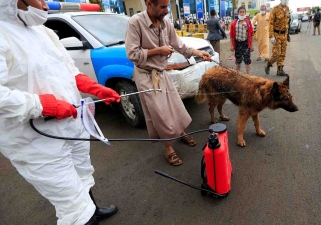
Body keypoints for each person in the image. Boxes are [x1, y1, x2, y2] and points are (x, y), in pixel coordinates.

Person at [0, 0, 120, 224]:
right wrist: (42, 105)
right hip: (35, 139)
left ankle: (93, 209)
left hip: (72, 124)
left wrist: (94, 88)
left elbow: (69, 71)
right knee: (71, 203)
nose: (45, 4)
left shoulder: (43, 32)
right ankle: (85, 216)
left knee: (83, 173)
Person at [125, 0, 211, 166]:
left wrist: (197, 53)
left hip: (162, 74)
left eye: (167, 7)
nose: (166, 11)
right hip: (146, 76)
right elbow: (132, 54)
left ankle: (180, 132)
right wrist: (158, 50)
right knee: (160, 113)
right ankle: (168, 148)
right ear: (149, 4)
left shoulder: (165, 23)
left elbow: (179, 45)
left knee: (175, 105)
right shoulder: (135, 23)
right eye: (163, 7)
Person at [265, 0, 290, 76]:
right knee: (276, 53)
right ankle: (268, 64)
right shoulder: (275, 9)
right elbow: (271, 23)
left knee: (282, 53)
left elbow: (286, 22)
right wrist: (271, 36)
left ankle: (280, 70)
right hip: (276, 34)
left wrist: (287, 34)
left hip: (284, 35)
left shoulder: (288, 8)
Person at [230, 6, 254, 74]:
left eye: (243, 12)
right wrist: (231, 45)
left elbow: (251, 34)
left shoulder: (248, 23)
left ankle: (248, 75)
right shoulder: (234, 23)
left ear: (245, 13)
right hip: (238, 44)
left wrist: (251, 45)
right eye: (240, 12)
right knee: (238, 61)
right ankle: (237, 75)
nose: (242, 13)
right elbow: (231, 35)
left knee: (247, 61)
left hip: (246, 44)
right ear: (238, 13)